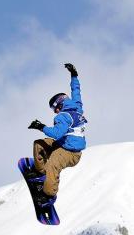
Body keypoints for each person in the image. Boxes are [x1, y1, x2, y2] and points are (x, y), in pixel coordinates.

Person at [27, 63, 88, 206]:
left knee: (53, 162)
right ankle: (40, 171)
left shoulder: (63, 116)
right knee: (39, 144)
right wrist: (74, 75)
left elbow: (56, 133)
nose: (54, 112)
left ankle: (49, 195)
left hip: (71, 153)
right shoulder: (77, 107)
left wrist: (40, 126)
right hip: (65, 144)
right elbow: (76, 91)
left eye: (54, 108)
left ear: (59, 105)